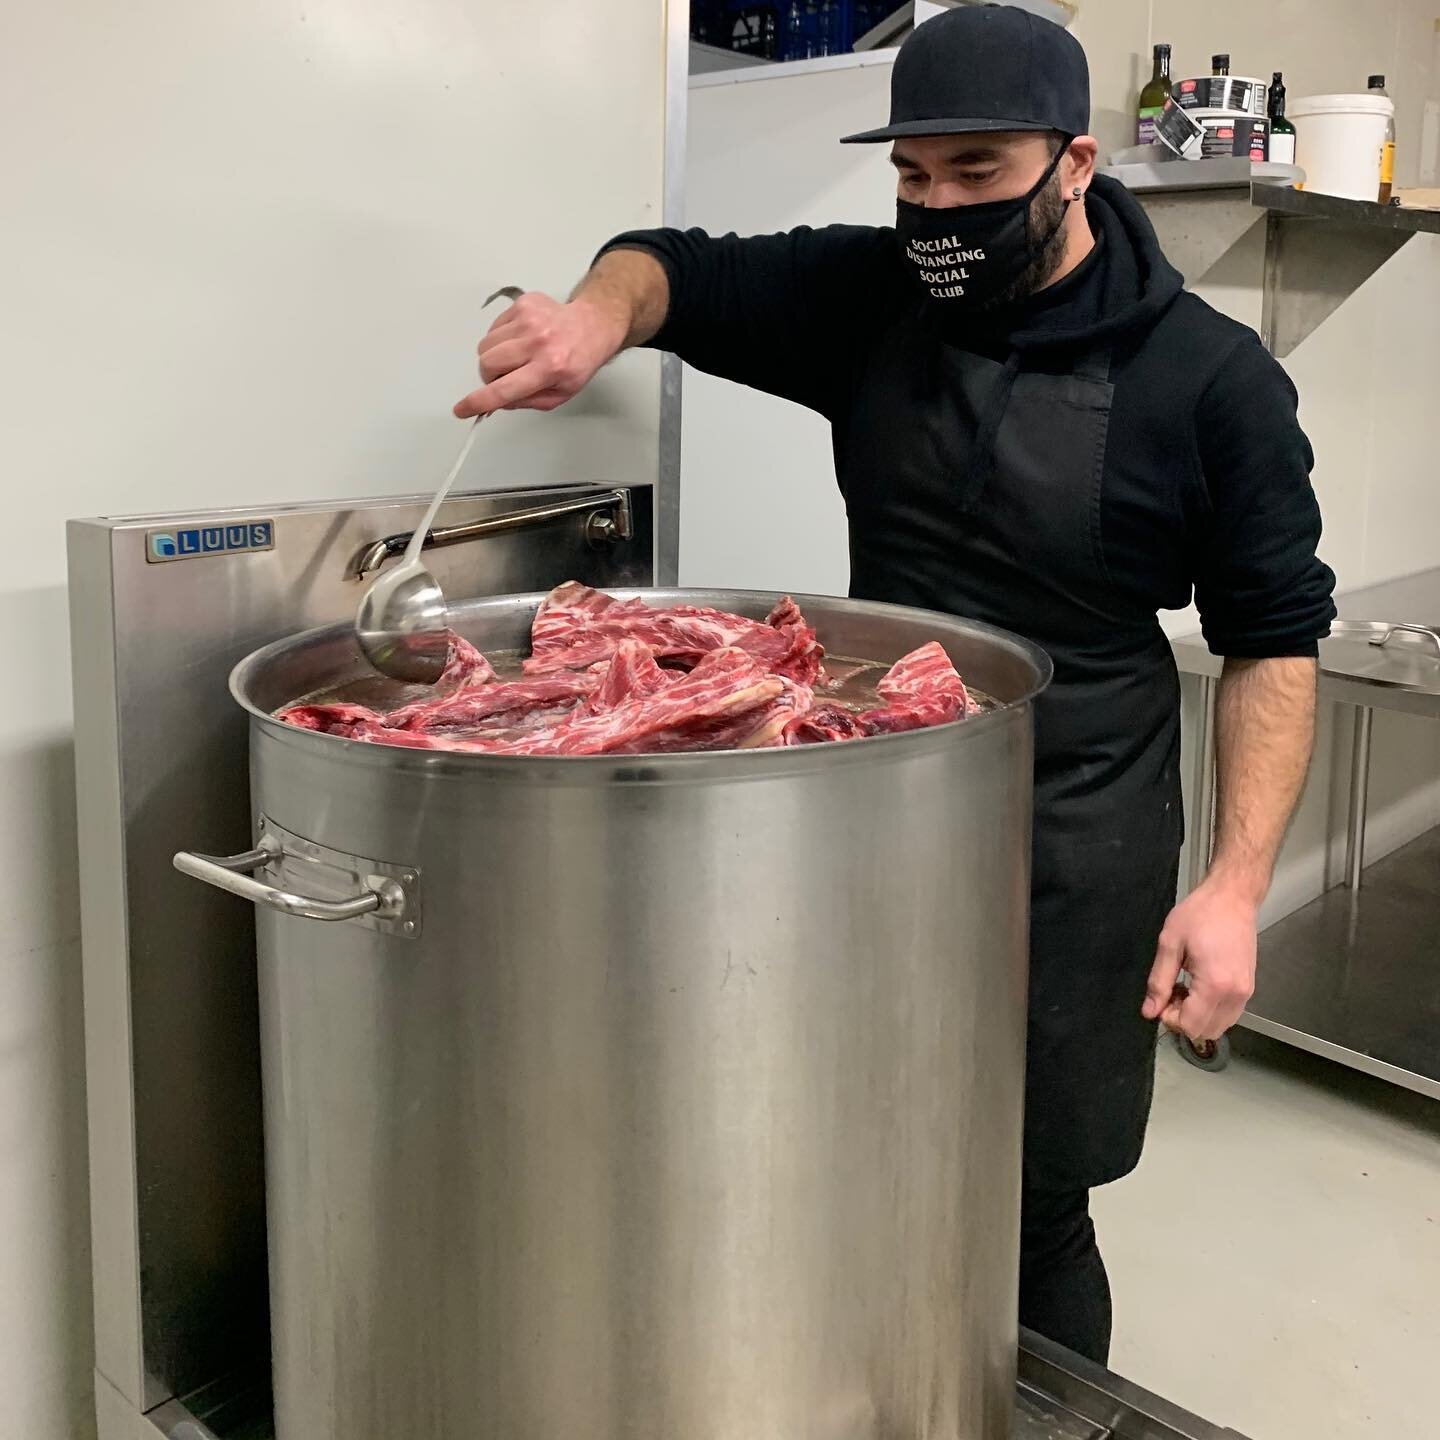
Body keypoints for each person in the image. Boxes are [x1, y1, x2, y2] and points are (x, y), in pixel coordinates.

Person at [453, 5, 1336, 1366]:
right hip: (867, 813)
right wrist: (589, 324)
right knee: (848, 1142)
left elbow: (1276, 641)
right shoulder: (878, 298)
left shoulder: (1209, 380)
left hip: (1074, 835)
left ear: (1077, 164)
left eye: (978, 174)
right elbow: (669, 267)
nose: (938, 209)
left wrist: (1232, 887)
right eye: (913, 176)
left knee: (1033, 1201)